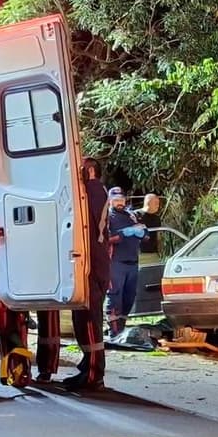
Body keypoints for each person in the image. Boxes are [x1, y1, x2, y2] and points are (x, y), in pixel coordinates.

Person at [63, 156, 112, 392]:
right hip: (86, 262)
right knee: (80, 318)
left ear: (90, 171)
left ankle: (95, 373)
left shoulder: (95, 190)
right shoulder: (90, 191)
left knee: (91, 319)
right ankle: (87, 365)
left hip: (94, 264)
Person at [105, 187, 146, 334]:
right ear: (110, 201)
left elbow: (145, 234)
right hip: (116, 262)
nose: (119, 203)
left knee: (129, 297)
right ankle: (113, 331)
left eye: (121, 200)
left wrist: (142, 231)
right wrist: (124, 234)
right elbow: (105, 239)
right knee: (114, 296)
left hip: (133, 262)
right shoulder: (107, 217)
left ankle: (122, 328)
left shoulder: (131, 215)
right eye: (116, 200)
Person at [136, 193, 163, 259]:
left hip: (153, 253)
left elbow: (158, 237)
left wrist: (160, 252)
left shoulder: (157, 218)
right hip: (139, 254)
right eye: (156, 203)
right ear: (148, 202)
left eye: (158, 203)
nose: (158, 205)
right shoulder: (135, 215)